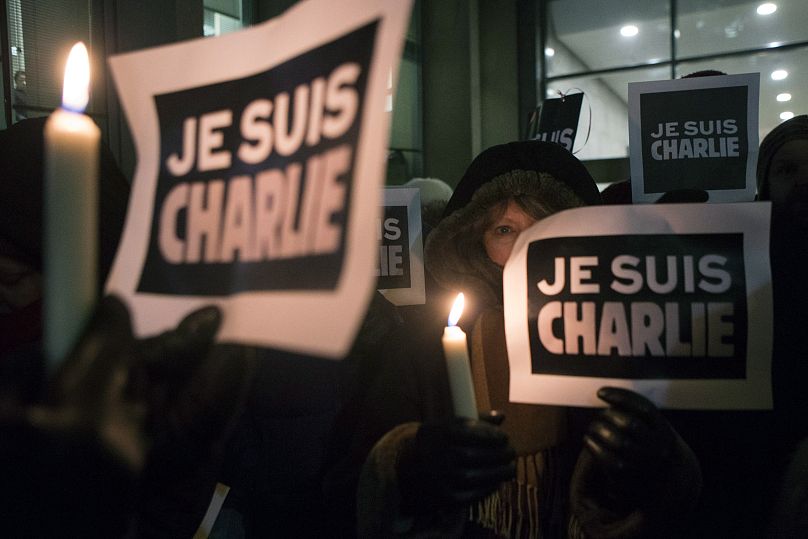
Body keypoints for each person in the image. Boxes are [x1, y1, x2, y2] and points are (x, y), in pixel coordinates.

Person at [355, 140, 702, 538]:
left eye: (547, 225)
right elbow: (353, 484)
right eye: (505, 230)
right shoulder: (422, 347)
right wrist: (410, 466)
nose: (527, 247)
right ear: (475, 242)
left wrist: (663, 465)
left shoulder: (628, 336)